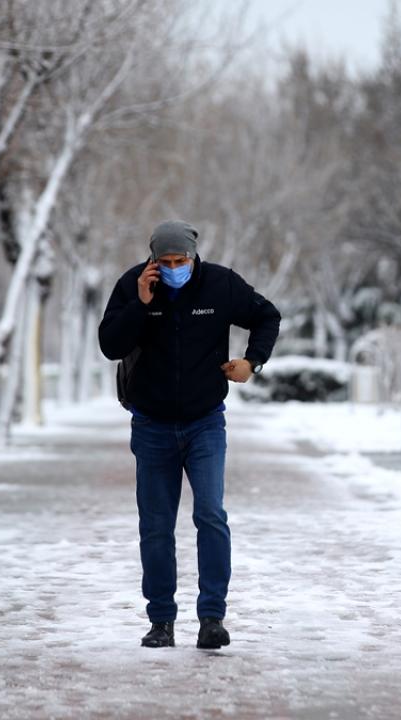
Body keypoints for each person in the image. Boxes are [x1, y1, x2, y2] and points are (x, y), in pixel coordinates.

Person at [98, 220, 281, 650]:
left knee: (211, 515)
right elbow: (110, 345)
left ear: (194, 257)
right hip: (151, 425)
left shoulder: (220, 285)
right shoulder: (133, 285)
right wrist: (141, 303)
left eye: (182, 261)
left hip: (204, 423)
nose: (175, 268)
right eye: (166, 262)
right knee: (157, 525)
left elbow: (267, 316)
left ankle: (212, 618)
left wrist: (252, 362)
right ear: (153, 261)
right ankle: (161, 621)